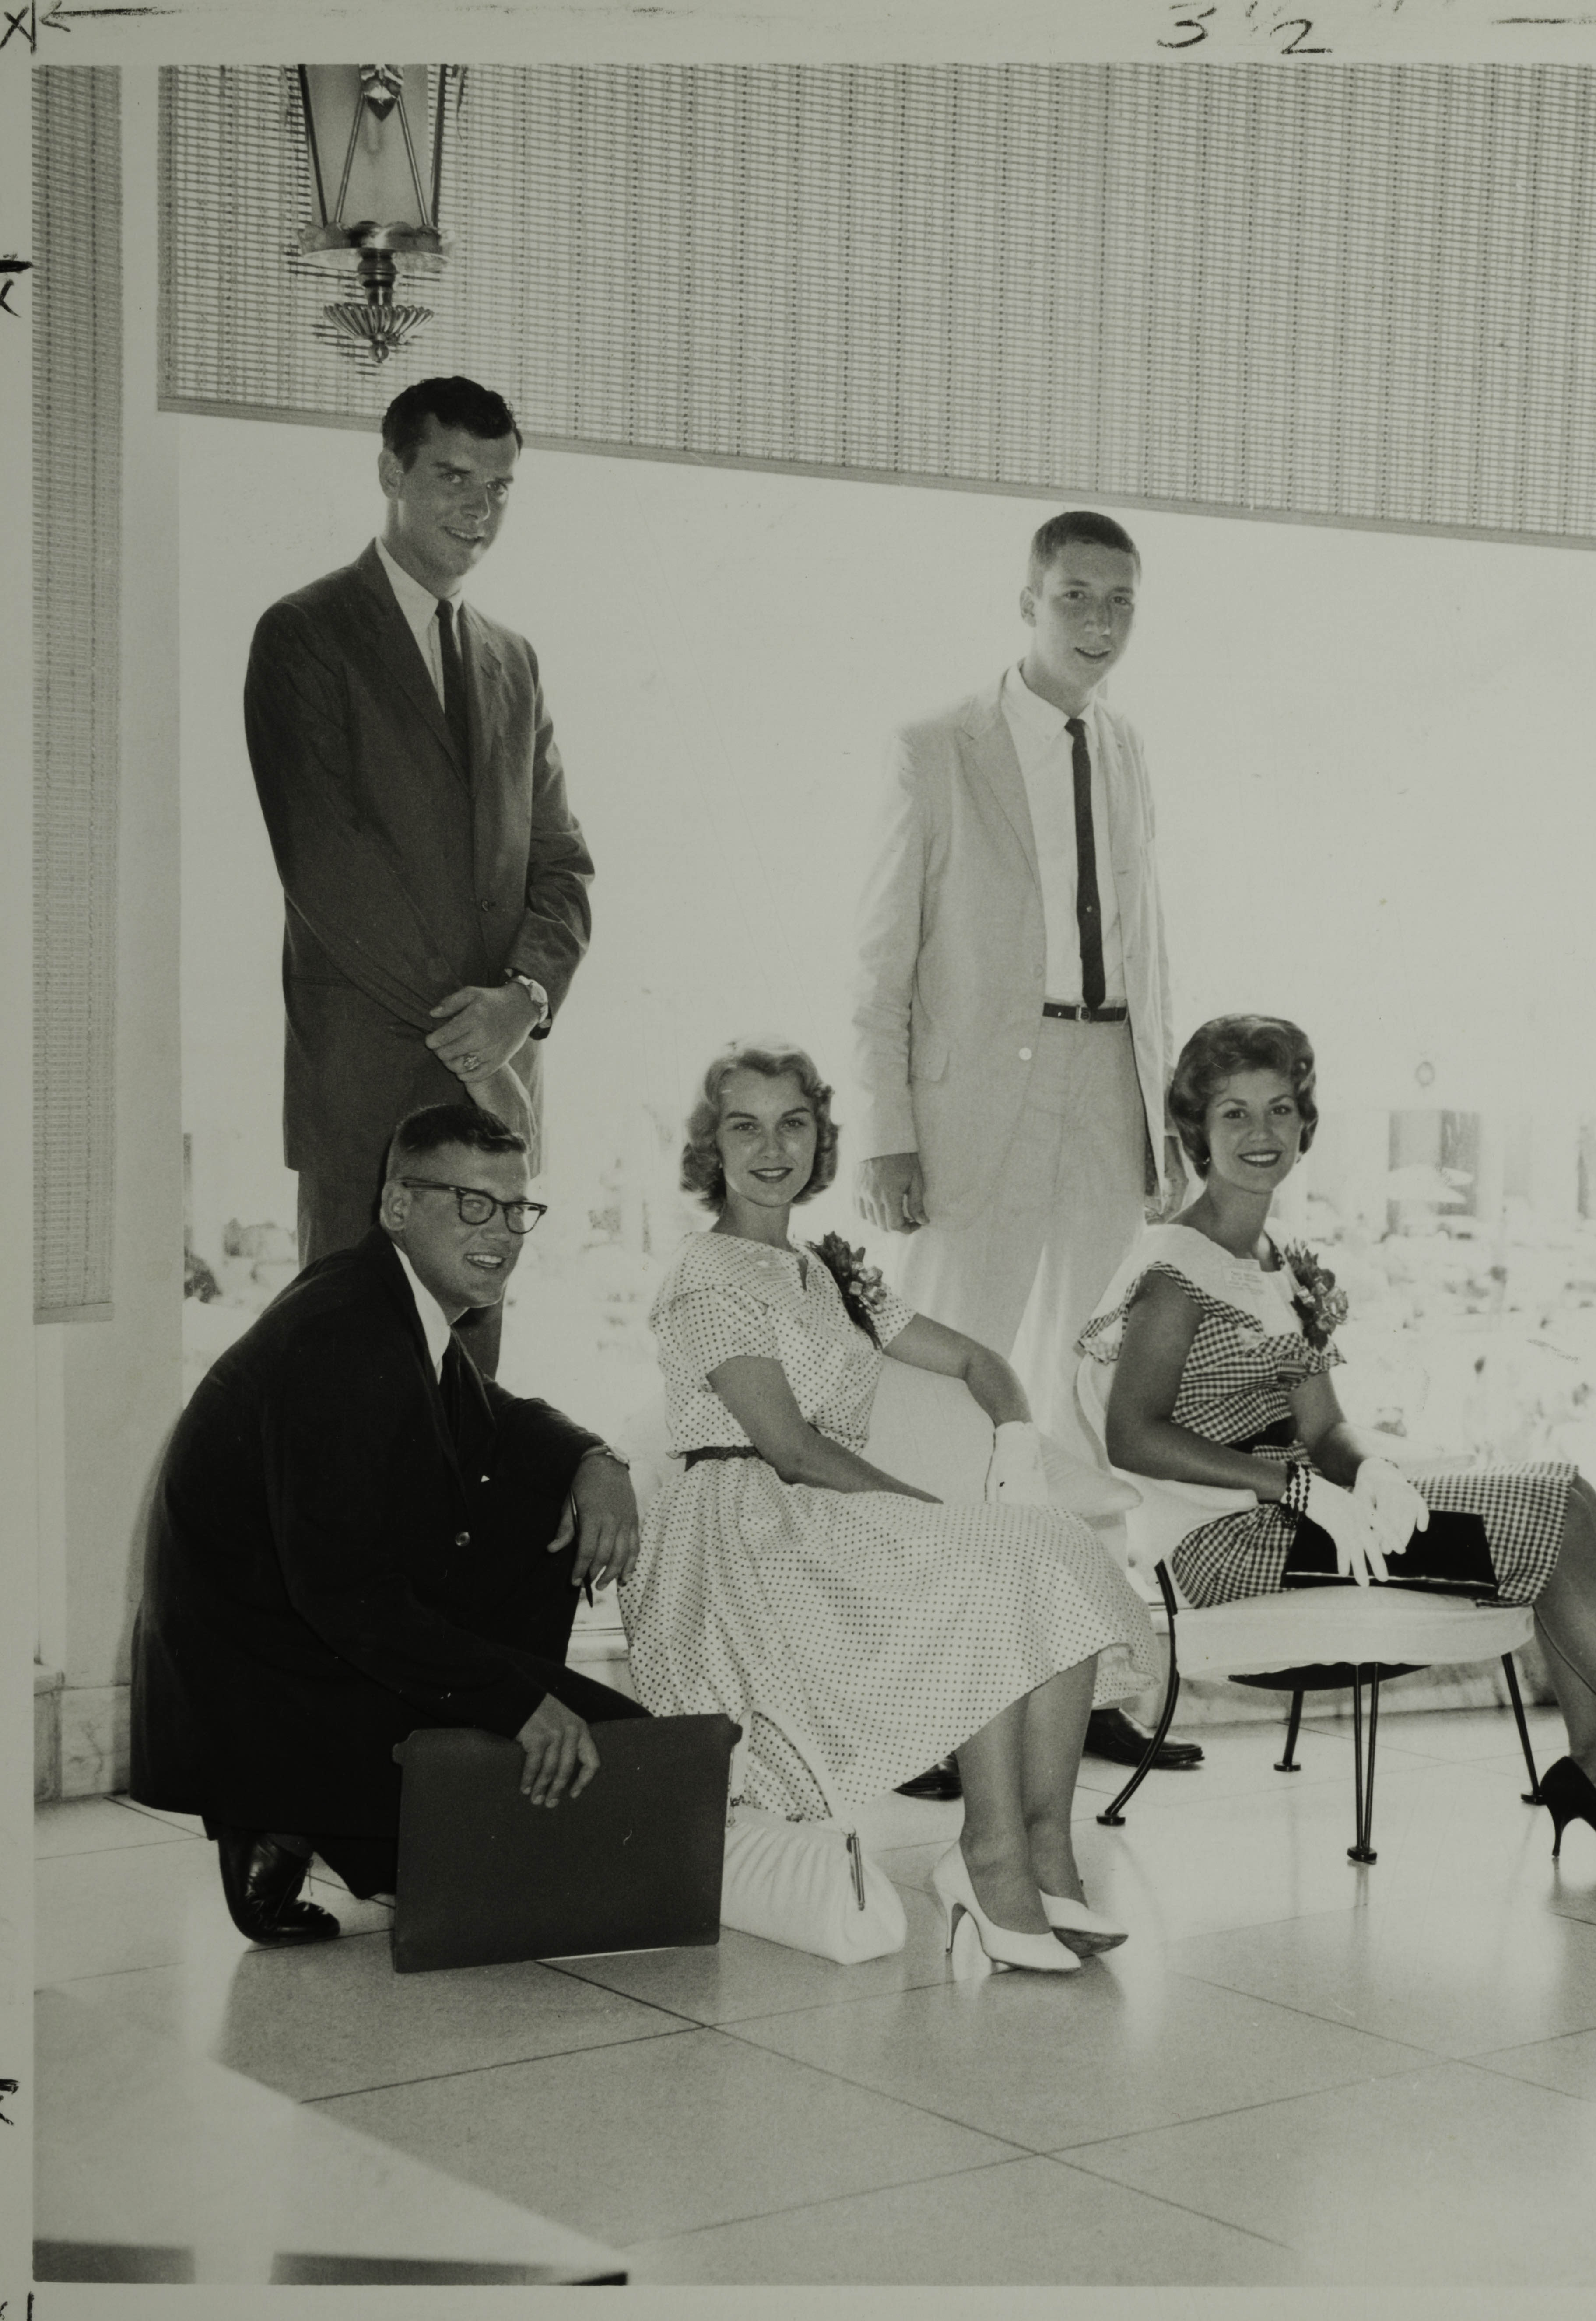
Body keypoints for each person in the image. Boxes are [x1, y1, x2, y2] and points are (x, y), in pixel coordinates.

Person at [1082, 1015, 1596, 1863]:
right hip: (1231, 1544)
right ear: (1194, 1132)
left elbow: (1326, 1429)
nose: (1261, 1134)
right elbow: (1130, 1436)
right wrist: (1296, 1489)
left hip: (1311, 1519)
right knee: (1556, 1509)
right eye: (1234, 1114)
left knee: (1566, 1492)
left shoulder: (1275, 1261)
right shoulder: (1178, 1272)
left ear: (1305, 1123)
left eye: (1279, 1110)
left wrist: (1371, 1474)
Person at [622, 1043, 1158, 1973]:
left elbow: (977, 1360)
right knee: (977, 1564)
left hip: (814, 1511)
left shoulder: (827, 1277)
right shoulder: (704, 1275)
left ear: (821, 1138)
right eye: (743, 1126)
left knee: (1056, 1546)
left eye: (794, 1122)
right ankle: (986, 1861)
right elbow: (787, 1445)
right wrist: (933, 1512)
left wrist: (1016, 1441)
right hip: (741, 1530)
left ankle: (1045, 1849)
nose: (772, 1147)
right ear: (711, 1147)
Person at [131, 1103, 645, 1945]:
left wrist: (598, 1460)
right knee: (620, 1762)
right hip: (269, 1678)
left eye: (518, 1209)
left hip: (298, 1637)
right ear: (398, 1207)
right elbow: (344, 1594)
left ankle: (417, 1801)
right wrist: (520, 1704)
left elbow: (495, 1418)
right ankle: (278, 1818)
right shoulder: (347, 1336)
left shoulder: (386, 1295)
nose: (505, 1233)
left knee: (532, 1486)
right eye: (473, 1204)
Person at [851, 509, 1191, 1777]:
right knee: (951, 1403)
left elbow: (1149, 945)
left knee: (1091, 1396)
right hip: (976, 1103)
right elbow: (881, 957)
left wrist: (1163, 1123)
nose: (1098, 624)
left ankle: (1082, 1688)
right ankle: (938, 1710)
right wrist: (887, 1131)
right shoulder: (935, 748)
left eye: (1120, 604)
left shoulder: (1131, 750)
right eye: (1076, 598)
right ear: (1028, 599)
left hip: (1110, 1086)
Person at [243, 376, 595, 1379]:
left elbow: (563, 869)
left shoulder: (512, 661)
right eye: (451, 476)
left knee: (471, 1399)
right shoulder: (304, 635)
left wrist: (525, 1000)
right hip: (367, 1096)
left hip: (493, 1121)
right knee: (349, 1389)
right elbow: (329, 875)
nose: (477, 508)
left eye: (499, 486)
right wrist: (479, 1045)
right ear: (391, 471)